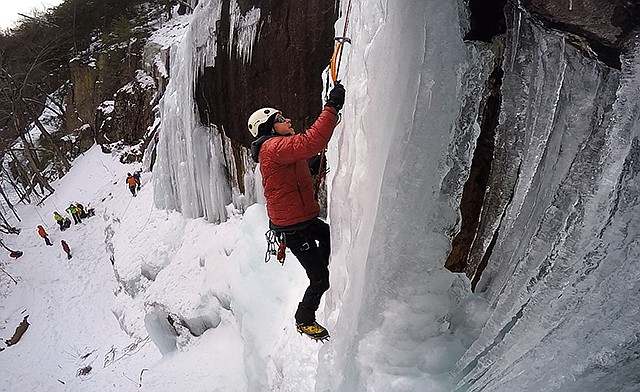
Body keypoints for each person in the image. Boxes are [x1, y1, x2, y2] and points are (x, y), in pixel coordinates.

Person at [247, 82, 345, 341]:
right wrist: (332, 107)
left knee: (333, 242)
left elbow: (300, 166)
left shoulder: (281, 148)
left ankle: (322, 269)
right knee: (320, 279)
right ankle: (304, 319)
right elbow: (311, 142)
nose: (287, 119)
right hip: (293, 228)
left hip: (305, 219)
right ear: (269, 128)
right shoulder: (272, 147)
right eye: (280, 118)